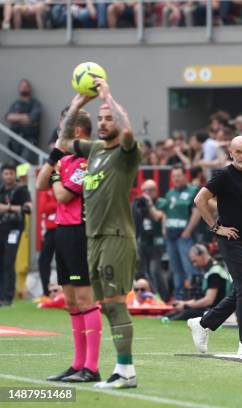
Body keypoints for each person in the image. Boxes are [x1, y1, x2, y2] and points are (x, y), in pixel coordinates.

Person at [55, 78, 141, 389]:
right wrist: (78, 105)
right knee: (105, 305)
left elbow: (128, 131)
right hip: (93, 238)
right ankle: (120, 370)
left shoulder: (127, 152)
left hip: (116, 236)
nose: (104, 123)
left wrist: (106, 95)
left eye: (109, 118)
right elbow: (62, 143)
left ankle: (125, 370)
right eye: (101, 118)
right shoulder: (95, 151)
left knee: (116, 303)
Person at [187, 135, 242, 355]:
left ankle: (203, 323)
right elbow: (200, 200)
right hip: (229, 240)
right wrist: (216, 228)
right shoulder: (223, 176)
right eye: (239, 152)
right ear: (230, 153)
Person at [36, 109, 102, 383]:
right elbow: (40, 183)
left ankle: (92, 367)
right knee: (71, 302)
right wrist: (55, 165)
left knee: (86, 300)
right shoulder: (65, 160)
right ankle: (77, 364)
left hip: (79, 232)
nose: (58, 134)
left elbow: (62, 195)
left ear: (76, 132)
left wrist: (55, 172)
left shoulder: (88, 162)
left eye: (63, 129)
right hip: (63, 232)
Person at [158, 166, 200, 300]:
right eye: (174, 176)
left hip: (184, 236)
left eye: (178, 175)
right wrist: (164, 229)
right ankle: (178, 297)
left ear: (185, 176)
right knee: (176, 269)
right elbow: (165, 212)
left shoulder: (193, 191)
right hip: (170, 236)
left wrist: (188, 230)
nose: (176, 178)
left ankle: (192, 295)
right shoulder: (170, 193)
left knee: (189, 266)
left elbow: (197, 212)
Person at [166, 244, 230, 321]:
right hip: (210, 309)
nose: (194, 264)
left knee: (181, 315)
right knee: (171, 315)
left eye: (195, 261)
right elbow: (202, 298)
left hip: (215, 311)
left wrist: (186, 305)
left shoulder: (214, 272)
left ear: (202, 255)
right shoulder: (210, 269)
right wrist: (183, 303)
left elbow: (208, 300)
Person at [0, 162, 31, 307]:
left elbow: (27, 209)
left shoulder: (21, 190)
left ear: (15, 175)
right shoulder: (0, 190)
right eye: (6, 173)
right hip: (1, 228)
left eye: (11, 173)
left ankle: (7, 297)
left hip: (15, 229)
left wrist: (7, 207)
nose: (8, 176)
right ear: (2, 175)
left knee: (8, 260)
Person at [132, 179, 168, 300]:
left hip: (156, 242)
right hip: (143, 241)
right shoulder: (139, 203)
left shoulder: (161, 202)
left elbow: (157, 216)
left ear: (155, 191)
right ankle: (148, 296)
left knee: (155, 270)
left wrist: (149, 204)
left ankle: (163, 297)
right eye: (144, 190)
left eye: (150, 190)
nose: (147, 193)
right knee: (143, 271)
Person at [4, 79, 42, 163]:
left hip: (29, 140)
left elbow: (32, 119)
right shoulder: (15, 104)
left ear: (29, 89)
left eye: (26, 86)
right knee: (15, 164)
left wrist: (16, 118)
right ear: (18, 88)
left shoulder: (35, 104)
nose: (24, 88)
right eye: (22, 86)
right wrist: (24, 117)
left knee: (23, 164)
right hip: (15, 139)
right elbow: (8, 117)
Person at [37, 186, 58, 297]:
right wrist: (57, 204)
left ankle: (68, 290)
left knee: (67, 261)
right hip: (50, 230)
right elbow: (42, 208)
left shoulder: (66, 184)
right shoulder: (46, 190)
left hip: (64, 227)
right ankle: (47, 292)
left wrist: (53, 204)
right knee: (43, 261)